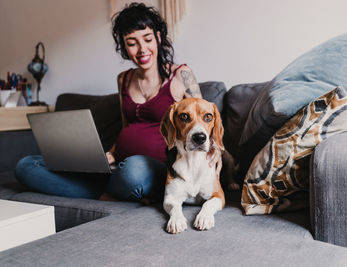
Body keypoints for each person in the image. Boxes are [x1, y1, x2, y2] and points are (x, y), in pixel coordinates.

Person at [14, 2, 221, 202]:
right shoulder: (124, 79)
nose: (142, 49)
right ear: (124, 46)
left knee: (134, 171)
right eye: (132, 43)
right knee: (26, 165)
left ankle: (101, 190)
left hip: (152, 168)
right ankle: (105, 195)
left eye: (147, 39)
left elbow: (201, 122)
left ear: (158, 37)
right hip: (118, 167)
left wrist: (217, 151)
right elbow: (126, 127)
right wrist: (109, 154)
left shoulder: (181, 75)